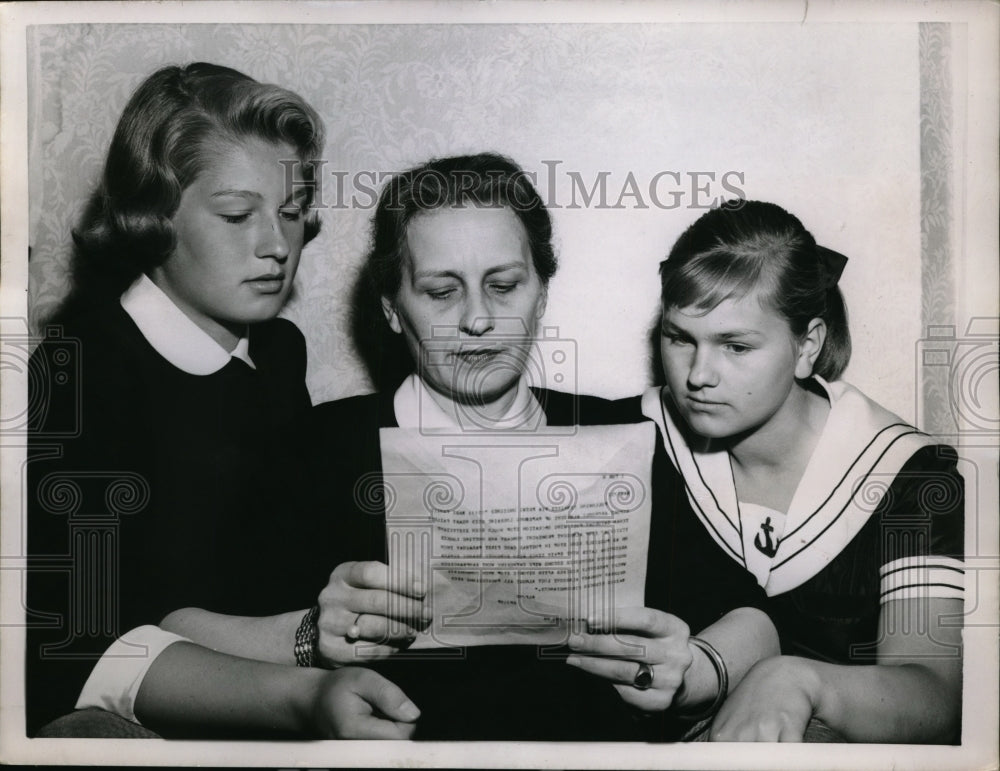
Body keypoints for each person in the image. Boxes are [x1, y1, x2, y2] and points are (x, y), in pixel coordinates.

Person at [161, 153, 779, 740]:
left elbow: (755, 620)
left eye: (504, 285)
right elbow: (172, 627)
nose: (479, 319)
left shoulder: (617, 436)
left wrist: (692, 671)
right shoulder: (314, 448)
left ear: (542, 293)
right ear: (392, 308)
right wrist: (306, 637)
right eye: (442, 292)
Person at [26, 62, 418, 739]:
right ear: (153, 216)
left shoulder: (279, 354)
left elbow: (267, 571)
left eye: (291, 213)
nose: (277, 245)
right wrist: (305, 669)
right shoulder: (79, 372)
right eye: (237, 215)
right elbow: (79, 645)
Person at [642, 200, 964, 742]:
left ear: (806, 346)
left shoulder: (910, 476)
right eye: (680, 338)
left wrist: (800, 681)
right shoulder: (634, 438)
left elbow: (937, 698)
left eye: (735, 345)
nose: (698, 375)